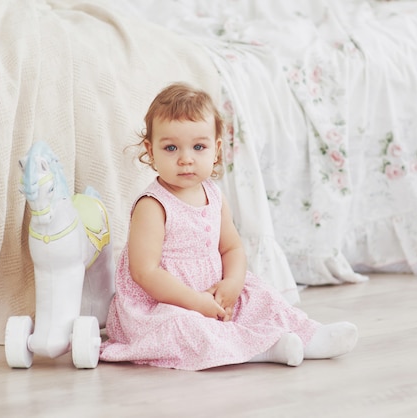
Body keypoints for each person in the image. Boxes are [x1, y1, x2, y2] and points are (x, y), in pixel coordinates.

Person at [99, 82, 358, 370]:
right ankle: (267, 348)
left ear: (216, 149)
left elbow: (232, 247)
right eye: (171, 147)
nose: (186, 158)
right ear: (151, 150)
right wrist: (195, 302)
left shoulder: (214, 196)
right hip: (165, 303)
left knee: (262, 296)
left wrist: (232, 284)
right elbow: (144, 272)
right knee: (181, 327)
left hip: (215, 296)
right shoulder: (153, 205)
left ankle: (307, 335)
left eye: (198, 147)